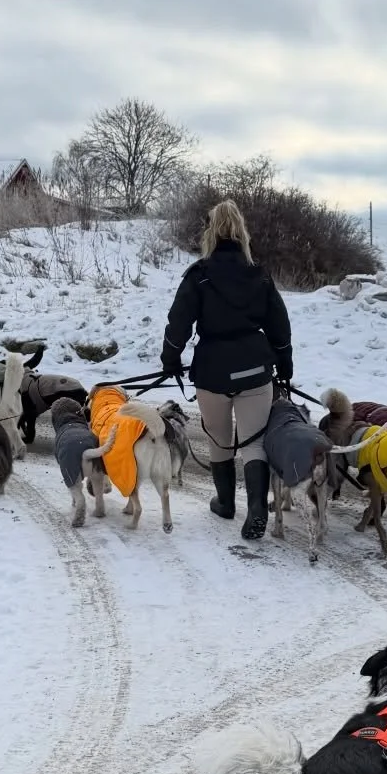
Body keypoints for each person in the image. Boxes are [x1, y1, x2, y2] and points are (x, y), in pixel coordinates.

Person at [161, 198, 292, 539]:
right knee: (254, 442)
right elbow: (279, 325)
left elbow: (178, 323)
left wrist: (170, 359)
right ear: (242, 231)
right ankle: (257, 509)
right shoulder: (259, 274)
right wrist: (284, 363)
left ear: (210, 232)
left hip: (213, 371)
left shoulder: (199, 275)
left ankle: (225, 502)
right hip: (255, 369)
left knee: (219, 440)